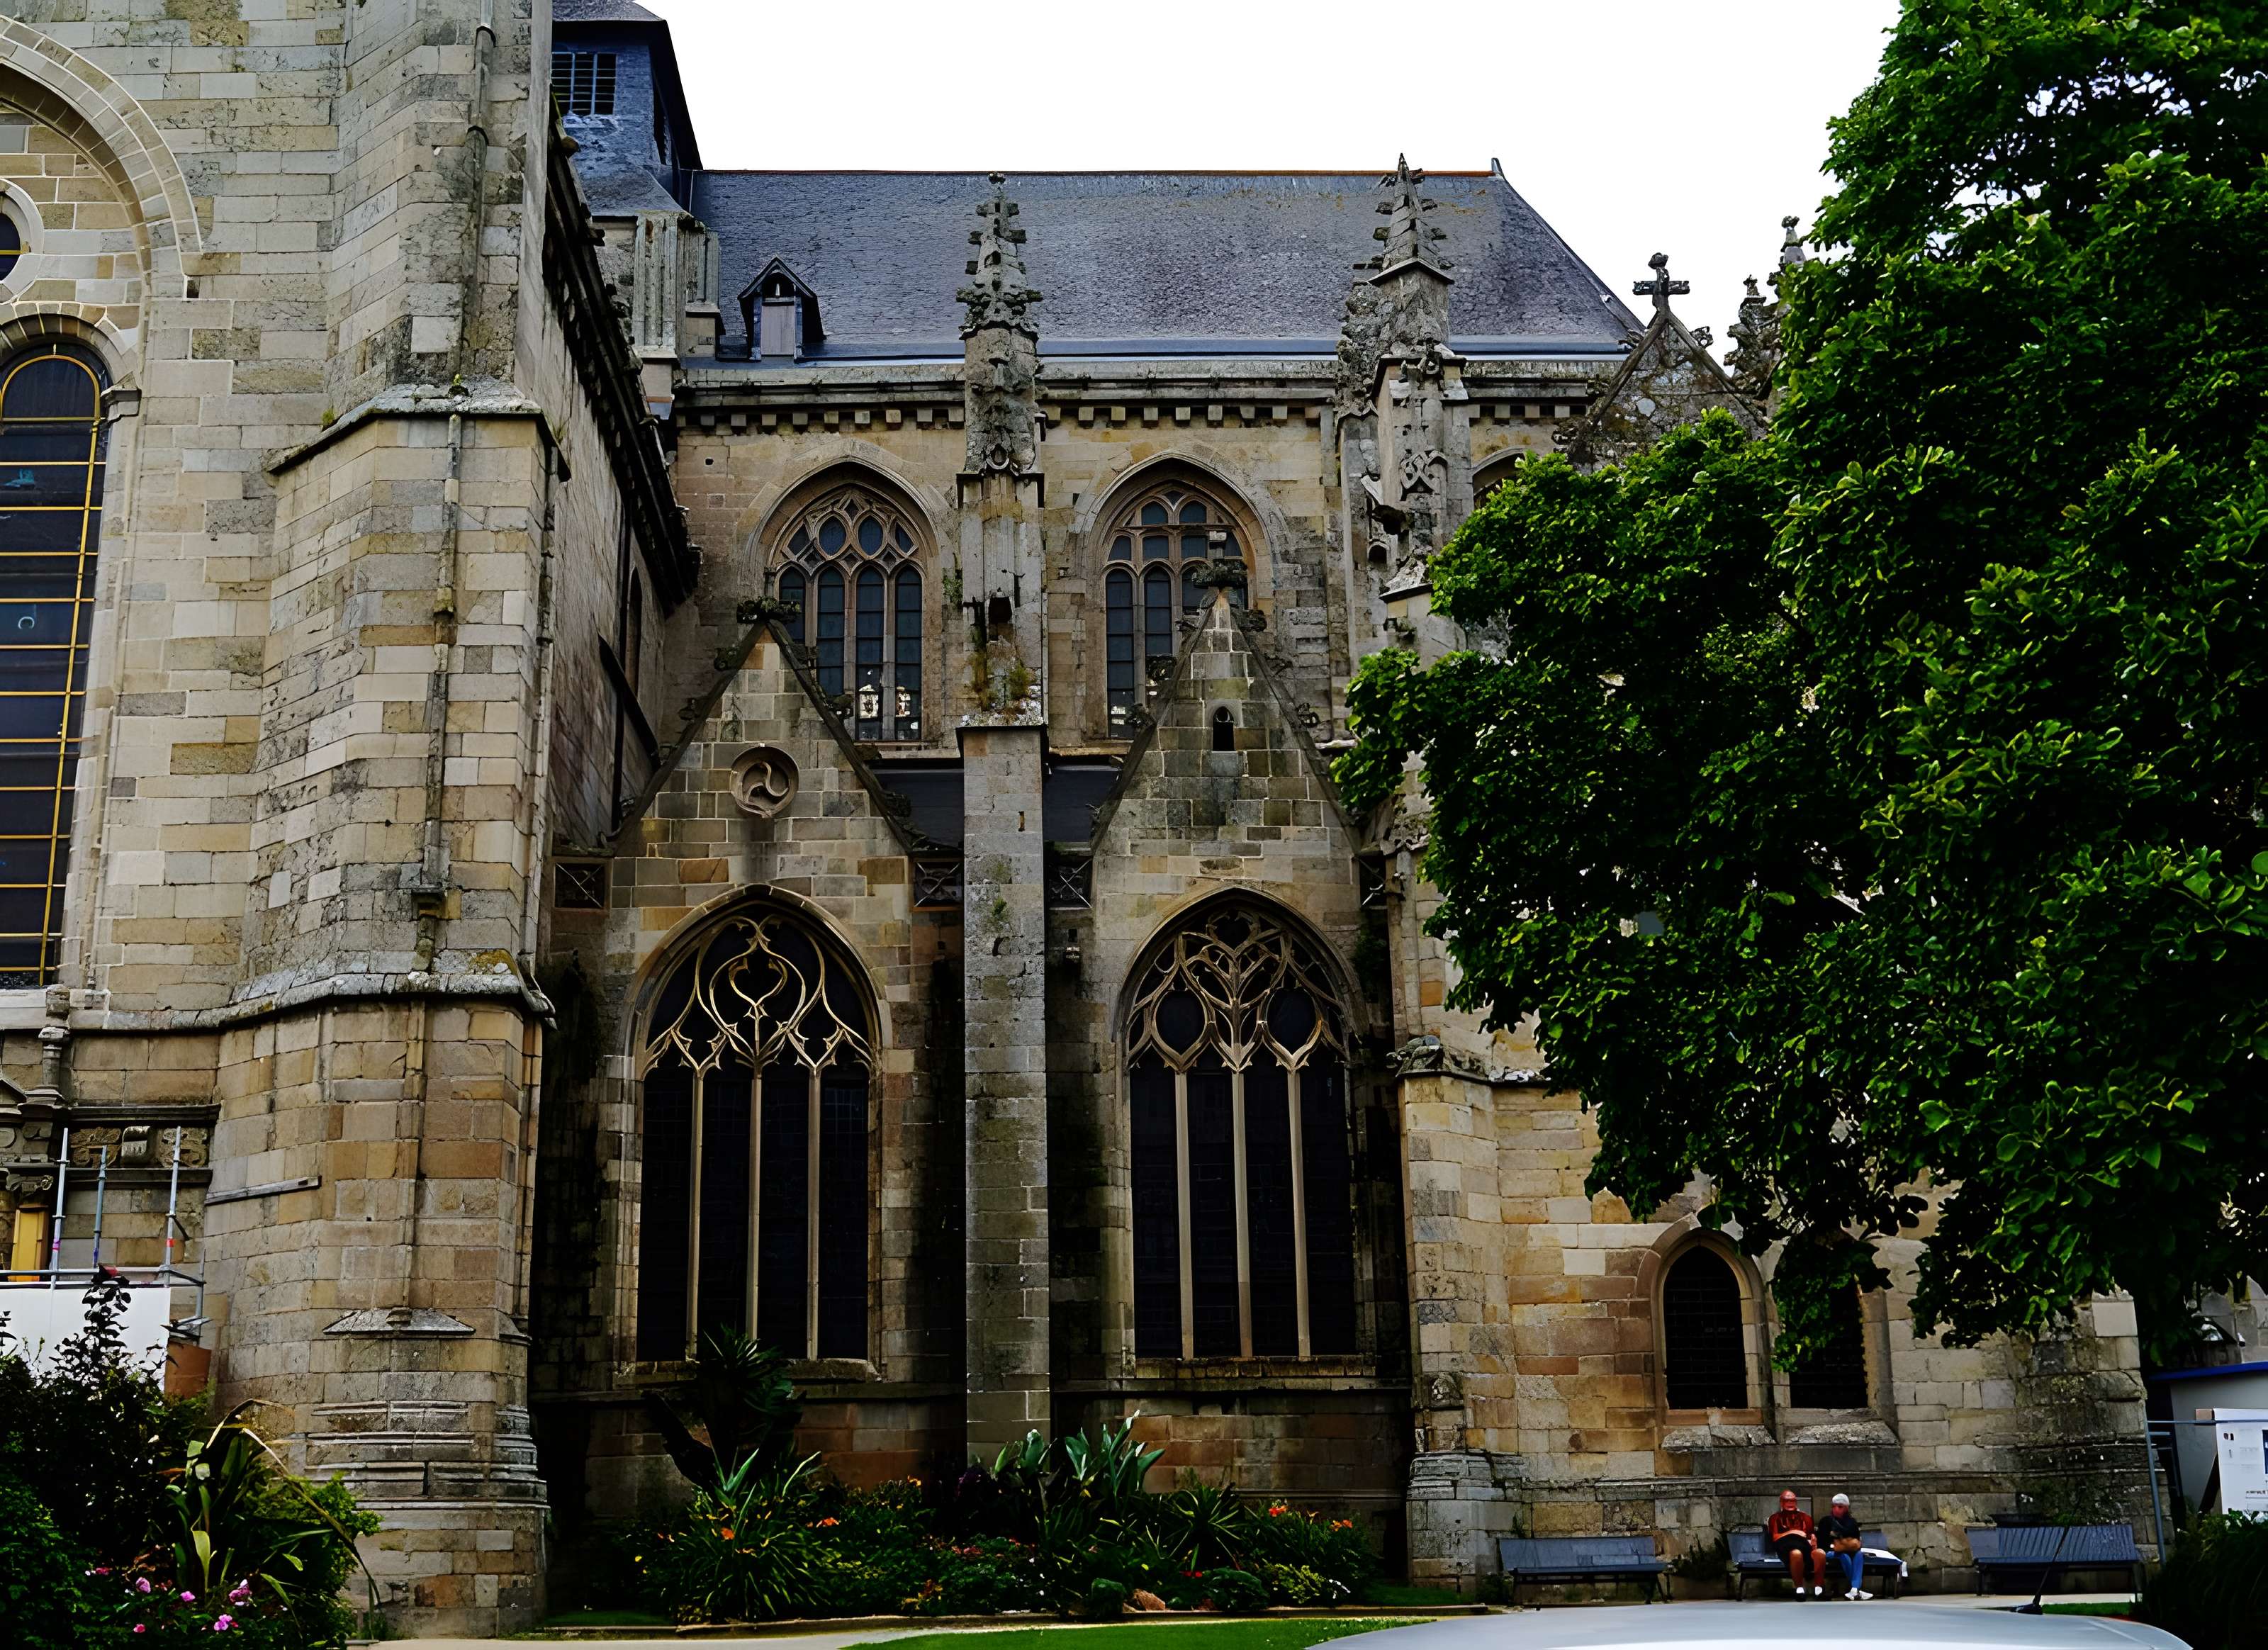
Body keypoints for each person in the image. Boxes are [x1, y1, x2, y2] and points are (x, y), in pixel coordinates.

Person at [1765, 1489, 1826, 1596]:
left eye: (1793, 1501)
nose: (1790, 1504)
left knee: (1820, 1553)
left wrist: (1813, 1541)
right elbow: (1774, 1538)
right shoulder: (1775, 1518)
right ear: (1781, 1502)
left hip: (1805, 1547)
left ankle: (1819, 1589)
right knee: (1796, 1553)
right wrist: (1793, 1532)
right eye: (1787, 1501)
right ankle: (1799, 1589)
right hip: (1786, 1549)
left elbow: (1810, 1536)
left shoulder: (1805, 1518)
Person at [1819, 1491, 1870, 1599]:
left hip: (1849, 1551)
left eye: (1840, 1507)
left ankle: (1854, 1590)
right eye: (1834, 1506)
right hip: (1830, 1552)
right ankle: (1856, 1590)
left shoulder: (1851, 1522)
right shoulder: (1826, 1521)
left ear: (1846, 1508)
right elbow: (1823, 1542)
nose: (1836, 1509)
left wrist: (1839, 1538)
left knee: (1859, 1555)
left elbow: (1856, 1542)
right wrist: (1842, 1541)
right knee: (1844, 1557)